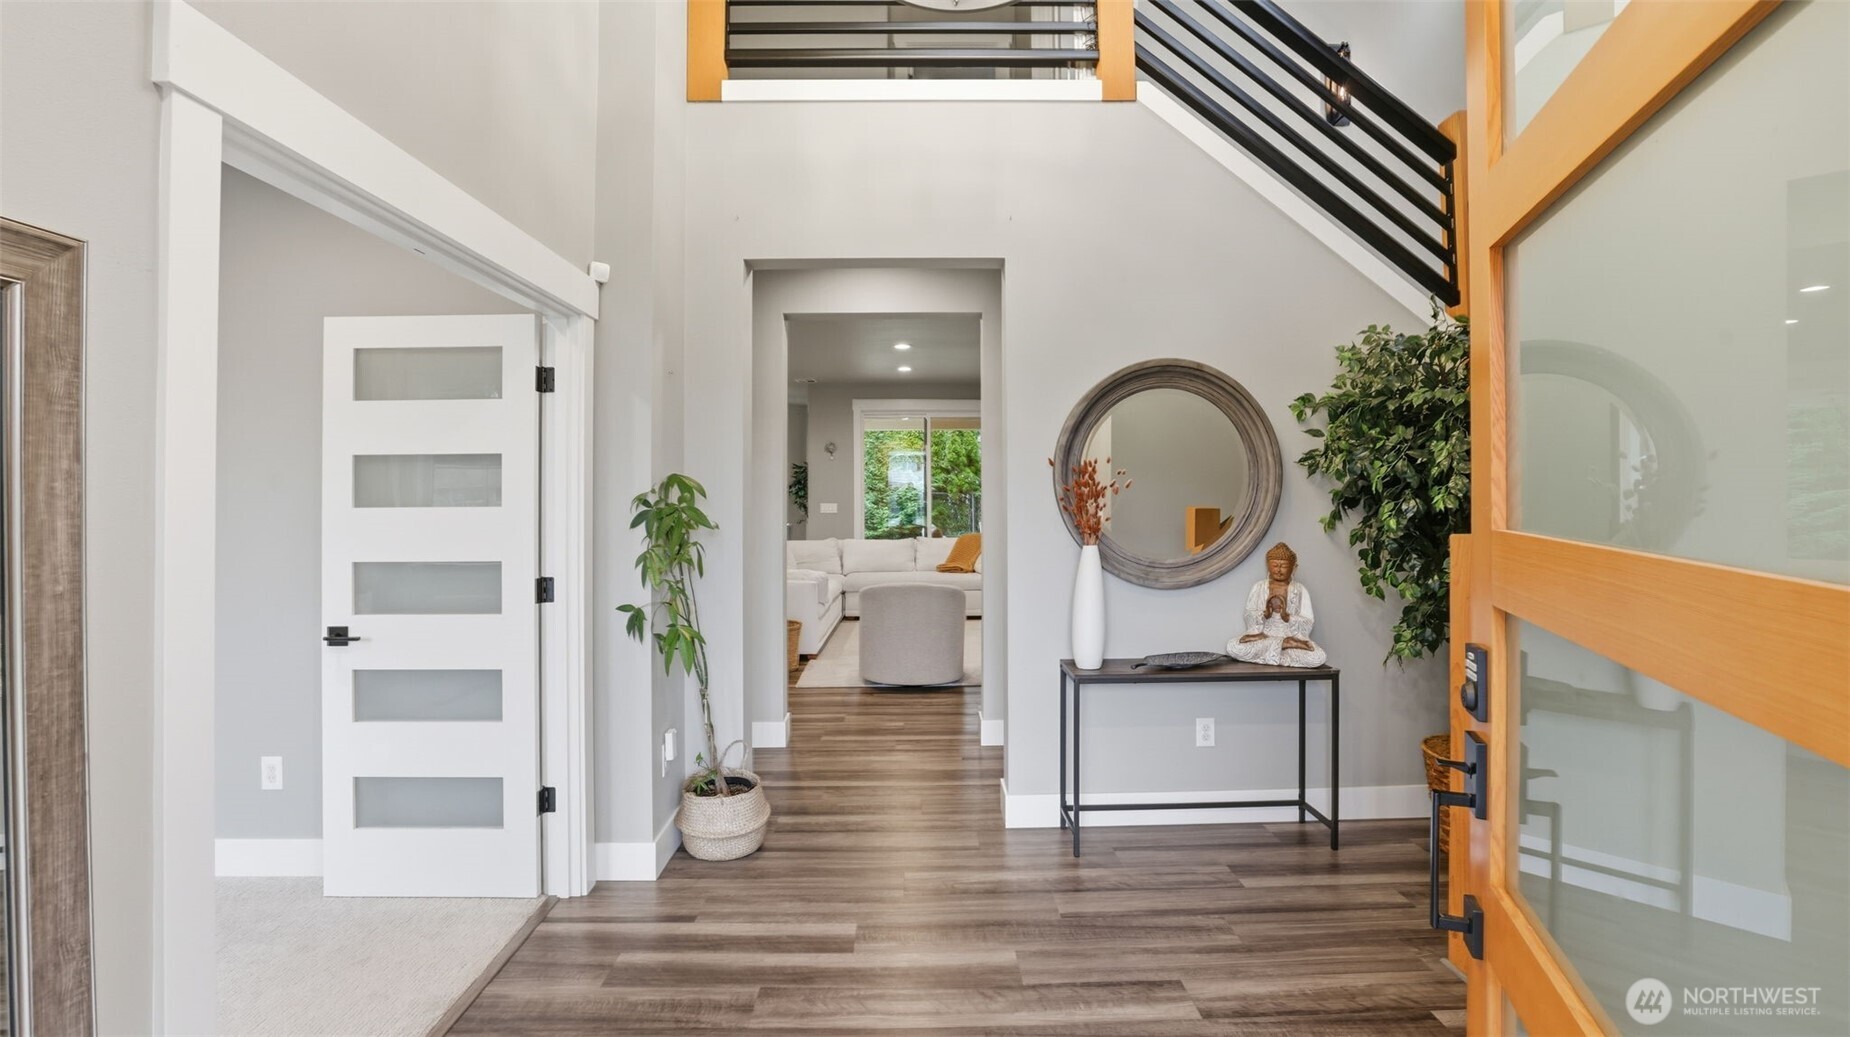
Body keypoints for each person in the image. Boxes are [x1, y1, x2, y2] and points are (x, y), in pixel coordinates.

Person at [1227, 542, 1327, 667]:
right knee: (1233, 647)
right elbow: (1248, 614)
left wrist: (1287, 616)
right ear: (1268, 566)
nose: (1279, 570)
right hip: (1263, 635)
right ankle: (1283, 644)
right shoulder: (1259, 587)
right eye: (1275, 565)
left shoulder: (1300, 590)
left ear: (1294, 568)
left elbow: (1308, 621)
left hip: (1289, 635)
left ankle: (1284, 644)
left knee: (1318, 657)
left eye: (1284, 566)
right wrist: (1265, 614)